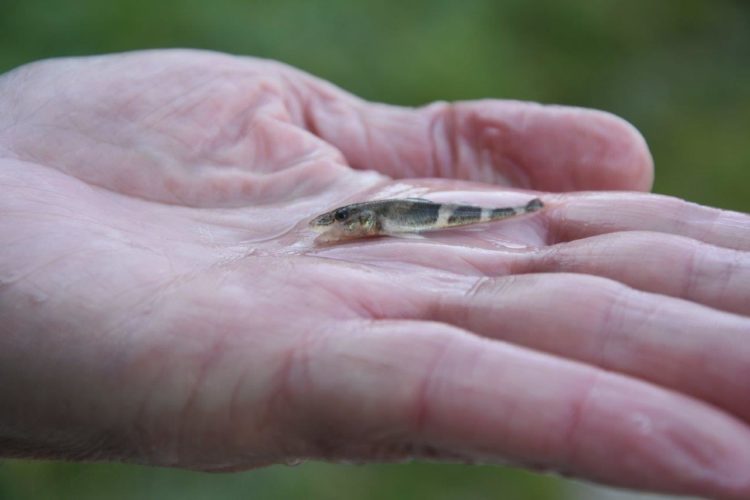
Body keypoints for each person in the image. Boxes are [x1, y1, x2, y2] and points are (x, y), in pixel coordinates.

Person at [0, 49, 748, 499]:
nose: (329, 230)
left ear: (352, 223)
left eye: (333, 225)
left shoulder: (363, 216)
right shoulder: (349, 221)